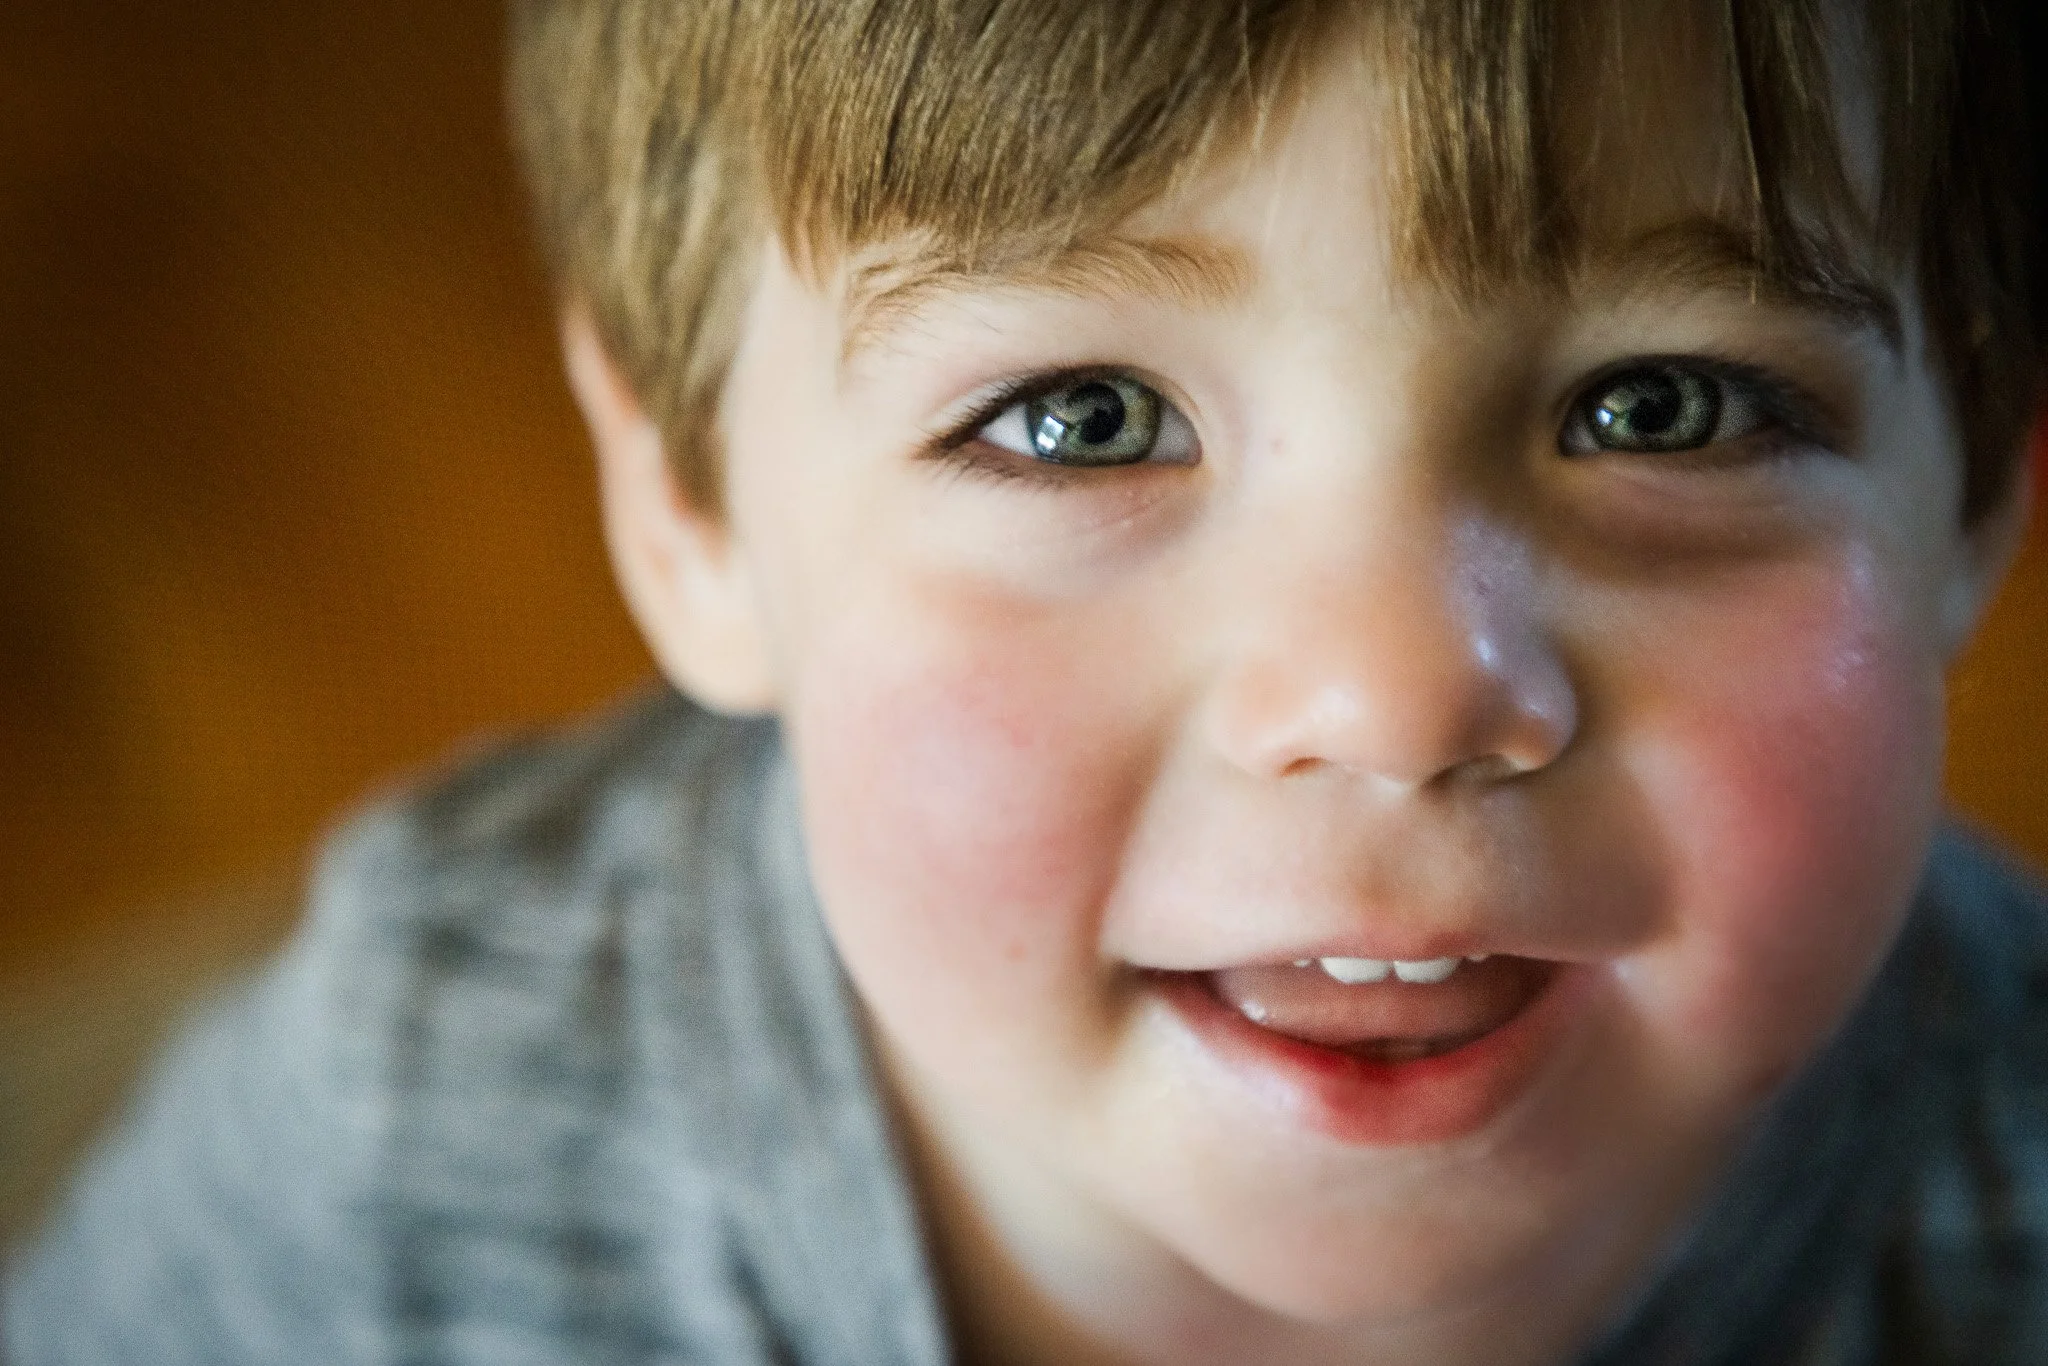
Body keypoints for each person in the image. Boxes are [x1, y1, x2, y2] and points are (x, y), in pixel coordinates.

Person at [8, 0, 2048, 1361]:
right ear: (687, 507)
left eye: (1659, 402)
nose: (1393, 690)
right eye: (1079, 416)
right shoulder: (433, 1111)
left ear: (1971, 497)